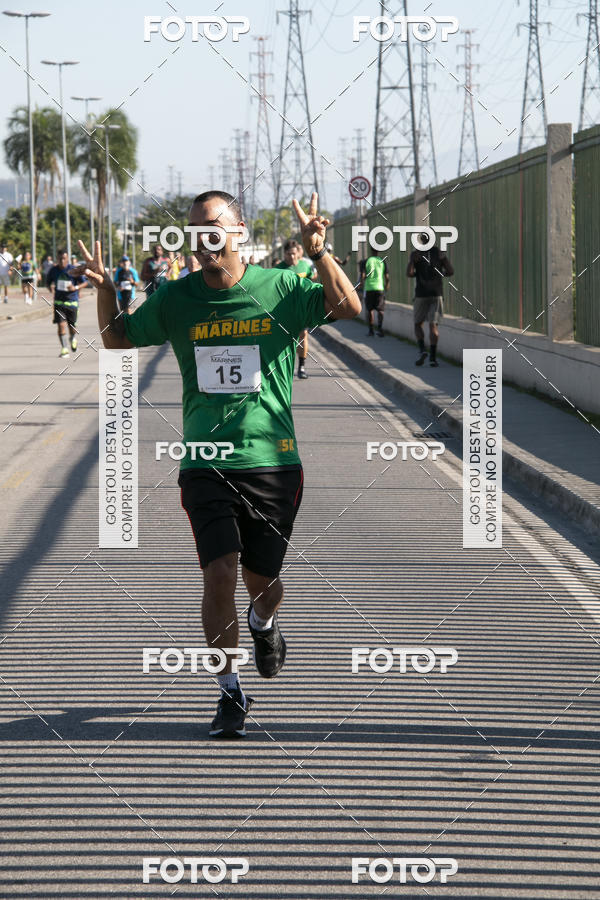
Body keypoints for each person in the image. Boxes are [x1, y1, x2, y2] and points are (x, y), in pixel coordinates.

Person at [80, 189, 361, 739]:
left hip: (273, 463)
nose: (201, 238)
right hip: (204, 462)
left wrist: (319, 252)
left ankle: (264, 623)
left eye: (211, 226)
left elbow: (348, 308)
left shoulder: (278, 288)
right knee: (218, 575)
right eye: (192, 229)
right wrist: (110, 293)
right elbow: (116, 341)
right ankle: (230, 692)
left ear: (237, 232)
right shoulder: (177, 299)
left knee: (265, 583)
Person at [407, 233, 454, 367]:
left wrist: (413, 264)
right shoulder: (439, 253)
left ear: (421, 240)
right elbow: (451, 271)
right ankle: (433, 357)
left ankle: (422, 350)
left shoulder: (416, 253)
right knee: (433, 325)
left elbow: (409, 274)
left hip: (421, 293)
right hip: (436, 293)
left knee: (418, 324)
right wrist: (441, 273)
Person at [275, 239, 315, 379]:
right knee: (286, 339)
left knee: (303, 335)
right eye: (288, 254)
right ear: (284, 254)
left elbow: (311, 278)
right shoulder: (278, 269)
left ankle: (302, 367)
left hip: (301, 309)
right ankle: (283, 367)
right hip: (283, 310)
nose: (291, 257)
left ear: (297, 253)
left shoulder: (304, 266)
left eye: (293, 254)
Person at [46, 248, 87, 357]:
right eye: (60, 259)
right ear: (57, 259)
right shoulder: (53, 270)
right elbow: (48, 282)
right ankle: (64, 349)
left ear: (67, 258)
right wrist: (51, 289)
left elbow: (85, 283)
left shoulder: (74, 269)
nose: (62, 261)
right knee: (61, 326)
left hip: (72, 302)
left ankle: (73, 338)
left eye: (64, 258)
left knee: (72, 327)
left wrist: (75, 287)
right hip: (59, 303)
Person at [359, 248, 389, 337]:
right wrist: (386, 287)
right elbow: (387, 278)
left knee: (370, 310)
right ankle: (380, 328)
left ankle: (371, 330)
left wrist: (362, 285)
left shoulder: (366, 261)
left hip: (369, 288)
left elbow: (363, 276)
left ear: (371, 250)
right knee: (381, 310)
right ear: (378, 251)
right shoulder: (383, 261)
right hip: (379, 288)